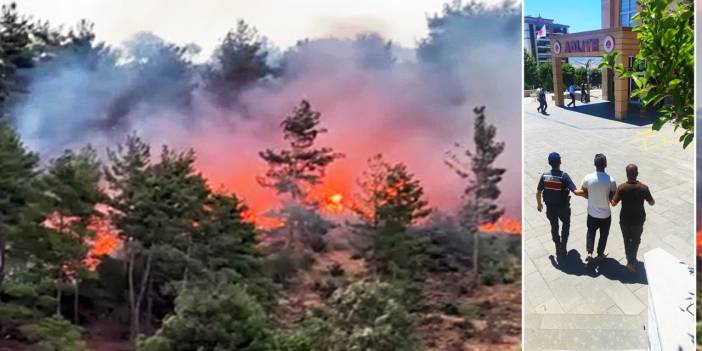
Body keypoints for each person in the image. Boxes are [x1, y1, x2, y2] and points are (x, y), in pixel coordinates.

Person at [536, 152, 584, 258]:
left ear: (549, 163)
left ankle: (557, 245)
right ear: (560, 162)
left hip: (550, 208)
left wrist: (539, 204)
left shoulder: (544, 176)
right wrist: (588, 193)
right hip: (563, 208)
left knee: (554, 226)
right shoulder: (564, 176)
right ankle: (563, 246)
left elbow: (538, 191)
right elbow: (575, 191)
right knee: (566, 225)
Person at [610, 164, 654, 272]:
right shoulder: (644, 188)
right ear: (637, 174)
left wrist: (610, 196)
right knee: (635, 240)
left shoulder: (621, 187)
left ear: (626, 174)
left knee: (626, 239)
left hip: (624, 219)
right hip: (638, 220)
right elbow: (652, 203)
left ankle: (629, 258)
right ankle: (631, 261)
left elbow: (614, 204)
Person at [580, 154, 617, 263]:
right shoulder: (611, 180)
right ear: (605, 165)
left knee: (591, 232)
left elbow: (583, 191)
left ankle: (589, 253)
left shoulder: (587, 178)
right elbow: (613, 197)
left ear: (595, 164)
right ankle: (600, 254)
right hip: (605, 215)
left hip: (592, 213)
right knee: (604, 235)